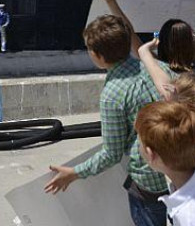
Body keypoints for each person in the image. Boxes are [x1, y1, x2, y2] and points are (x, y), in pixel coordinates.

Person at [44, 14, 169, 226]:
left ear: (98, 56)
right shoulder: (157, 68)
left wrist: (75, 172)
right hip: (181, 172)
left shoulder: (113, 94)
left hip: (149, 181)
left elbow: (112, 153)